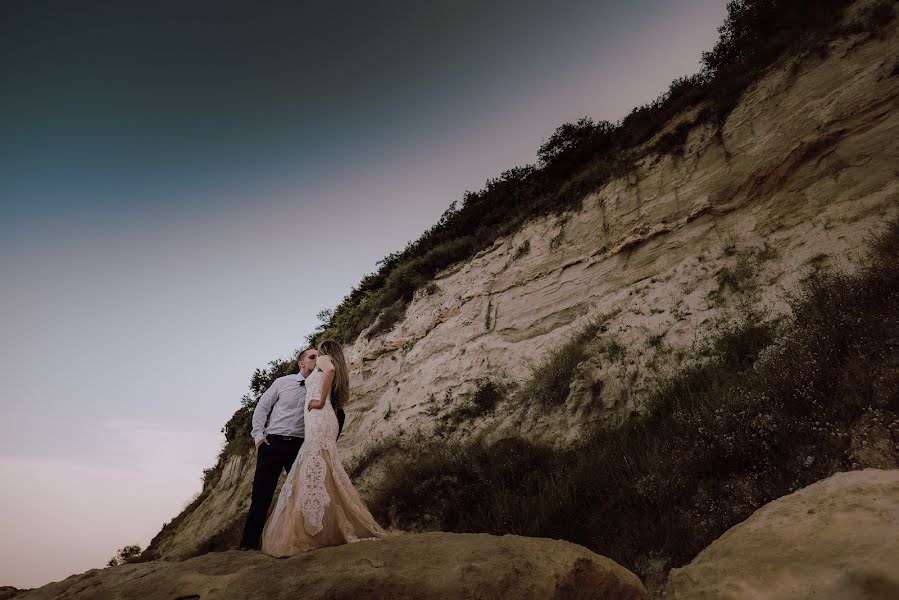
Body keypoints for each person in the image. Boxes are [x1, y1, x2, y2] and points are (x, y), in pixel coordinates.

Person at [261, 339, 386, 556]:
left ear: (325, 351)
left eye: (318, 352)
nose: (316, 355)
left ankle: (314, 528)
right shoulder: (322, 364)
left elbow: (329, 370)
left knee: (315, 464)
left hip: (320, 418)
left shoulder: (324, 360)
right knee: (323, 467)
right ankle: (321, 525)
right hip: (320, 420)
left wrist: (318, 401)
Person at [239, 347, 338, 550]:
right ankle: (247, 545)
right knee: (261, 496)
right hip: (272, 444)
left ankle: (301, 541)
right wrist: (258, 436)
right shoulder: (282, 383)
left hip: (300, 446)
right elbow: (262, 407)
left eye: (319, 357)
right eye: (312, 357)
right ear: (301, 363)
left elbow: (336, 412)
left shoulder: (321, 388)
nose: (317, 360)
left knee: (303, 494)